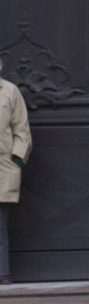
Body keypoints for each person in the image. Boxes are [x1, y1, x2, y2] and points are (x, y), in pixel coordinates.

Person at [0, 55, 32, 286]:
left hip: (2, 166)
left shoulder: (10, 91)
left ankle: (2, 271)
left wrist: (17, 159)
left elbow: (21, 129)